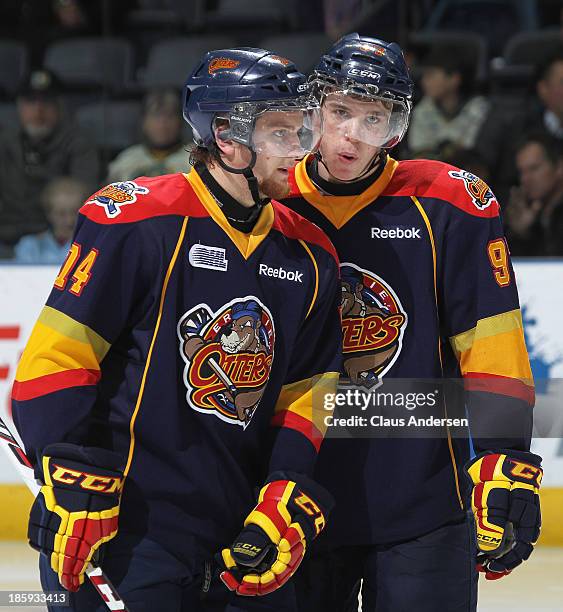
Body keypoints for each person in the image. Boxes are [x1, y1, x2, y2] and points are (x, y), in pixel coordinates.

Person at [11, 48, 342, 611]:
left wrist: (286, 485)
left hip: (242, 539)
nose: (301, 148)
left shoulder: (311, 254)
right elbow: (55, 361)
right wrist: (67, 470)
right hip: (126, 533)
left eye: (302, 129)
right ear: (227, 136)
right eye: (282, 132)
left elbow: (306, 394)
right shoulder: (136, 222)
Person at [284, 33, 542, 611]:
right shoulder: (266, 198)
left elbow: (492, 344)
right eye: (340, 112)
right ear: (313, 110)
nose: (352, 134)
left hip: (424, 503)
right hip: (287, 501)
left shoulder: (449, 203)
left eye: (373, 118)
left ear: (396, 128)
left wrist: (504, 460)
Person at [0, 69, 99, 249]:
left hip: (57, 239)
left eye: (46, 103)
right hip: (5, 237)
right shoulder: (5, 142)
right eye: (31, 102)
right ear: (19, 106)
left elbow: (86, 199)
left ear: (59, 107)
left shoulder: (78, 144)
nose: (38, 111)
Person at [407, 45, 490, 159]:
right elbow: (419, 153)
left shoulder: (479, 108)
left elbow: (476, 154)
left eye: (431, 75)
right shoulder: (423, 109)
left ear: (454, 79)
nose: (424, 81)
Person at [107, 88, 189, 182]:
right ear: (144, 122)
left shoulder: (195, 160)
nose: (162, 124)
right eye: (155, 116)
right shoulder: (125, 161)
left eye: (169, 116)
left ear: (181, 122)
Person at [504, 132, 563, 256]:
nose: (525, 179)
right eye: (521, 172)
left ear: (559, 167)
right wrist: (520, 233)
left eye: (534, 168)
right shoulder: (531, 216)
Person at [13, 176, 90, 264]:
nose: (69, 220)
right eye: (61, 214)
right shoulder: (29, 246)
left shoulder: (91, 247)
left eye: (74, 212)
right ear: (49, 214)